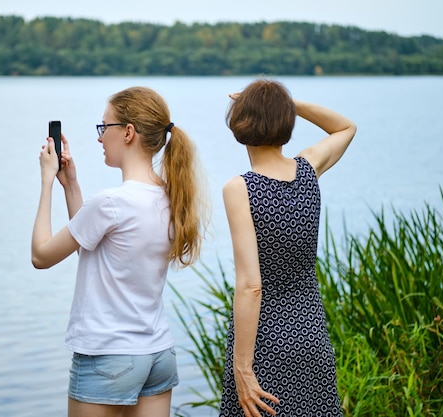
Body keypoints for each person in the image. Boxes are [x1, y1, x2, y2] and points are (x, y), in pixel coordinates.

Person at [31, 86, 207, 417]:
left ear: (128, 132)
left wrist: (46, 182)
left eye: (104, 127)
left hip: (107, 356)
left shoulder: (112, 202)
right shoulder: (172, 198)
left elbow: (41, 256)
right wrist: (71, 185)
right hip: (156, 355)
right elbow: (95, 247)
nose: (99, 138)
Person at [218, 79, 357, 417]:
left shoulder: (240, 188)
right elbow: (346, 127)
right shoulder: (308, 169)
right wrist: (287, 106)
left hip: (266, 342)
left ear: (239, 124)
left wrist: (243, 368)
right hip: (311, 333)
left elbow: (251, 286)